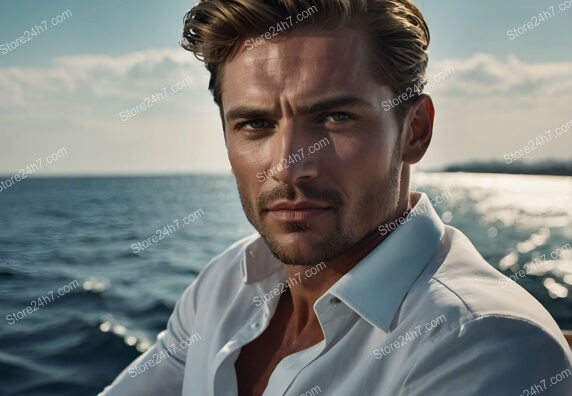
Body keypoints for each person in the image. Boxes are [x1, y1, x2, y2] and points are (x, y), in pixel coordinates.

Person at [100, 0, 572, 394]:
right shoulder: (223, 284)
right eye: (256, 124)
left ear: (415, 131)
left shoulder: (486, 344)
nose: (287, 165)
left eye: (335, 117)